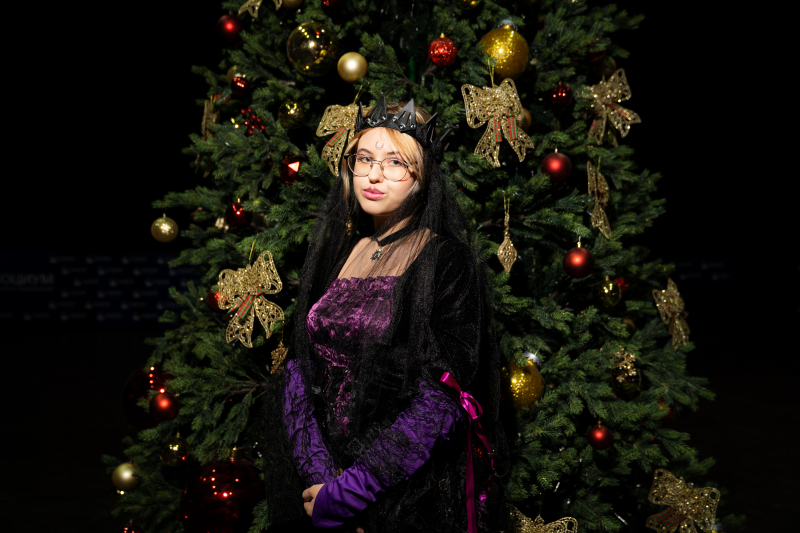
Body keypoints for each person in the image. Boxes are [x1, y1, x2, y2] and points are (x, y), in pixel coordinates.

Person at [262, 98, 509, 533]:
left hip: (402, 494)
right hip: (320, 485)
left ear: (422, 176)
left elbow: (443, 396)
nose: (374, 175)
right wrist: (323, 481)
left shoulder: (446, 261)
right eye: (365, 159)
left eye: (396, 162)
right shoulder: (340, 250)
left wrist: (355, 491)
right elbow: (300, 365)